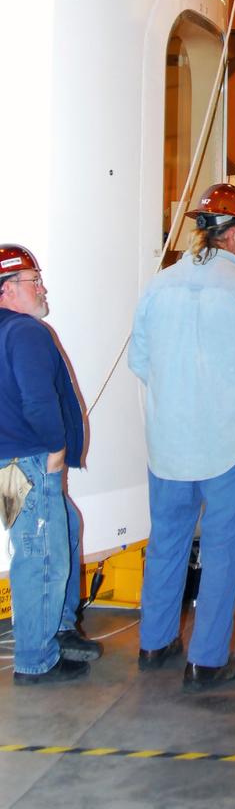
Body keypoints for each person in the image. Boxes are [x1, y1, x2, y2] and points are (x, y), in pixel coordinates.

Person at [129, 183, 235, 692]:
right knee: (224, 548)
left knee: (167, 541)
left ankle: (154, 643)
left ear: (200, 228)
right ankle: (206, 660)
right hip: (230, 443)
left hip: (168, 443)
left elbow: (140, 361)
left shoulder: (158, 287)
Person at [0, 245, 102, 684]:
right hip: (30, 461)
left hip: (10, 465)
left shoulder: (10, 331)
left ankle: (58, 628)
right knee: (39, 552)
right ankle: (36, 660)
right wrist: (56, 450)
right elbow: (38, 400)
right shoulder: (25, 332)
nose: (42, 288)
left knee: (64, 528)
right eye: (32, 281)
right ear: (6, 290)